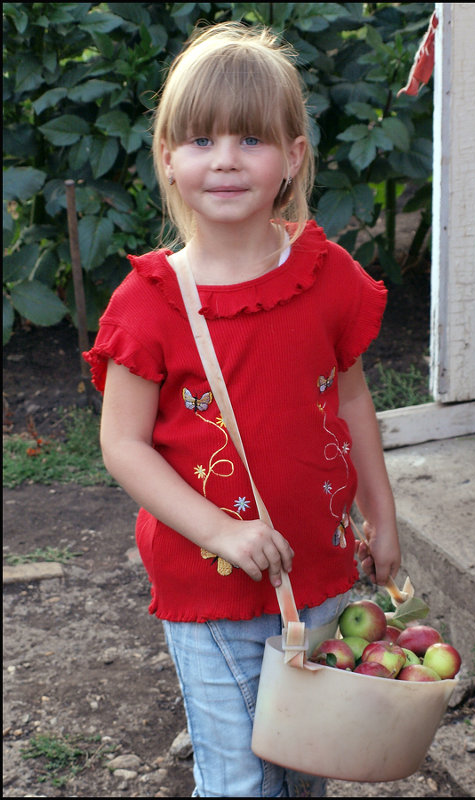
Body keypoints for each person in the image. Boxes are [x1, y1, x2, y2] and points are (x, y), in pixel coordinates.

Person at [84, 20, 402, 798]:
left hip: (321, 568)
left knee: (305, 766)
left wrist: (382, 515)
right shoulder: (150, 300)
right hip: (212, 582)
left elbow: (351, 397)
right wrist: (221, 528)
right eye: (199, 141)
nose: (224, 158)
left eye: (251, 140)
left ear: (293, 158)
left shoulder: (327, 278)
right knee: (239, 781)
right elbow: (123, 445)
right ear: (167, 158)